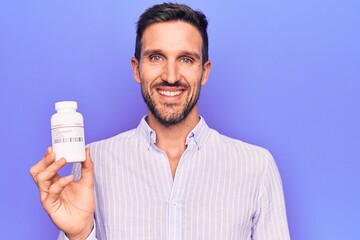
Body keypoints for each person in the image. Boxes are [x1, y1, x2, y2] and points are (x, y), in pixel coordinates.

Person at [30, 3, 290, 240]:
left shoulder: (257, 166)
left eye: (186, 59)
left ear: (204, 72)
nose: (171, 75)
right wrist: (79, 234)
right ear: (136, 69)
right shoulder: (92, 163)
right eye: (156, 57)